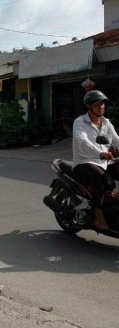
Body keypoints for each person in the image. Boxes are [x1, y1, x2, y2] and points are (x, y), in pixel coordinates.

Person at [72, 90, 119, 230]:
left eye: (103, 103)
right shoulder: (80, 122)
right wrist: (101, 153)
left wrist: (112, 150)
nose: (102, 106)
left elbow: (116, 139)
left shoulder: (106, 123)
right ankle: (98, 214)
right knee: (104, 180)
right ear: (89, 107)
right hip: (84, 162)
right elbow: (82, 142)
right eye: (98, 104)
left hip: (104, 162)